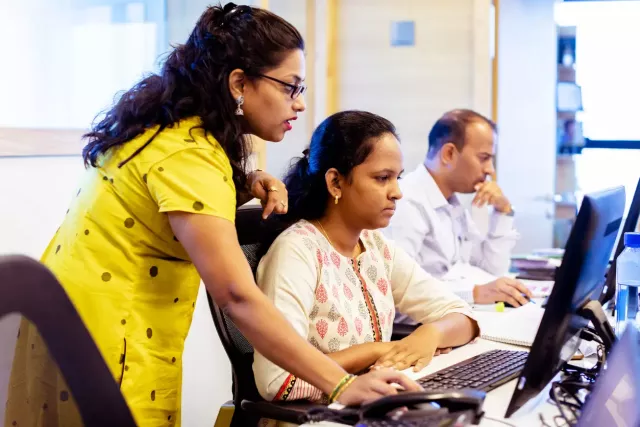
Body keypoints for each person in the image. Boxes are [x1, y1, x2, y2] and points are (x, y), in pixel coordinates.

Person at [3, 5, 419, 427]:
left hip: (72, 318)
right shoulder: (190, 154)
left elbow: (165, 195)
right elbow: (236, 295)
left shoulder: (176, 132)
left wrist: (248, 178)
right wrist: (342, 385)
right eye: (290, 87)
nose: (300, 103)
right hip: (108, 334)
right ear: (239, 82)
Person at [253, 110, 479, 406]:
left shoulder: (374, 246)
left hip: (373, 406)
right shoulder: (296, 252)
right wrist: (377, 350)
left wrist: (431, 335)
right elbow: (278, 380)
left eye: (397, 178)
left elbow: (463, 315)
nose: (397, 192)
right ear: (335, 183)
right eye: (382, 178)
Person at [384, 109, 532, 308]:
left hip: (456, 316)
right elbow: (395, 292)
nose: (490, 170)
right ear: (449, 153)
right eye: (484, 158)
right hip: (422, 328)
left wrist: (503, 212)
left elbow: (492, 269)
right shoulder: (406, 202)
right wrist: (475, 293)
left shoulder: (451, 203)